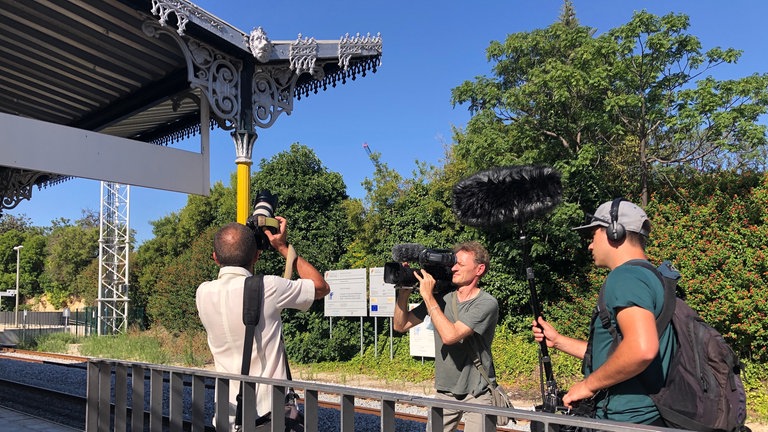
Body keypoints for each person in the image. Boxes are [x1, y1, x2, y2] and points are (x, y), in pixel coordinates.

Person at [532, 198, 676, 426]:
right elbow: (618, 354)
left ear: (614, 232)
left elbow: (641, 350)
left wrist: (588, 385)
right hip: (648, 418)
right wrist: (558, 341)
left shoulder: (625, 277)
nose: (590, 245)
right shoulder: (653, 276)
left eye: (593, 235)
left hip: (624, 421)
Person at [196, 218, 330, 431]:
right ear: (257, 256)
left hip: (227, 414)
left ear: (215, 257)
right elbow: (321, 287)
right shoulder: (269, 287)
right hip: (270, 416)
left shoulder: (202, 292)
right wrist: (282, 247)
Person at [393, 241, 499, 432]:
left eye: (460, 265)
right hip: (445, 390)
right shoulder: (442, 298)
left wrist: (428, 296)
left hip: (478, 391)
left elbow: (451, 336)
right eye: (453, 264)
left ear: (479, 269)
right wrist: (404, 292)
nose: (454, 268)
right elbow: (400, 325)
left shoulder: (486, 303)